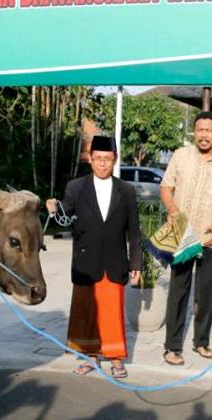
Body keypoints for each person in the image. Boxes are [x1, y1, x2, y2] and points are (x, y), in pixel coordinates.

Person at [46, 136, 142, 379]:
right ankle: (90, 357)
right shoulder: (76, 188)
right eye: (98, 159)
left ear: (115, 160)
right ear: (90, 159)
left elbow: (134, 231)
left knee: (112, 311)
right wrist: (52, 208)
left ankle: (117, 358)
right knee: (87, 312)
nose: (102, 164)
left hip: (115, 260)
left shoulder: (126, 191)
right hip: (86, 262)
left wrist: (136, 264)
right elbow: (64, 215)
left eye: (107, 159)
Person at [159, 111, 212, 365]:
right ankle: (172, 347)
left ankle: (201, 343)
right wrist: (173, 210)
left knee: (206, 294)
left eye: (209, 130)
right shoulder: (181, 156)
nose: (204, 134)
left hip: (211, 238)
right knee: (178, 290)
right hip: (183, 234)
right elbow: (165, 187)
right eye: (200, 129)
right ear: (194, 132)